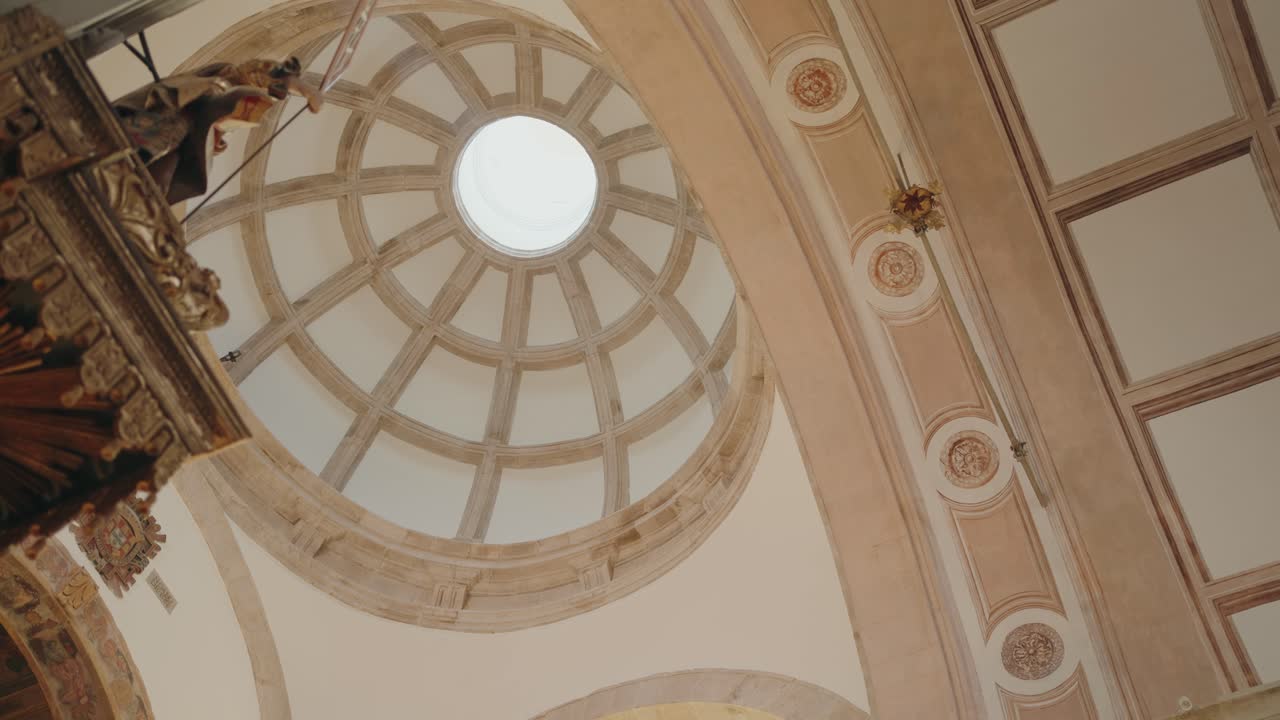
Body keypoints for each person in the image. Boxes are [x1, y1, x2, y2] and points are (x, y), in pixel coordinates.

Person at [112, 56, 323, 205]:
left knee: (165, 176)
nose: (278, 92)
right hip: (174, 117)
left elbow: (219, 125)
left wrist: (218, 136)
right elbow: (264, 71)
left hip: (186, 138)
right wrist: (308, 91)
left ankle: (138, 199)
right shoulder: (228, 79)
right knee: (146, 144)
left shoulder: (239, 100)